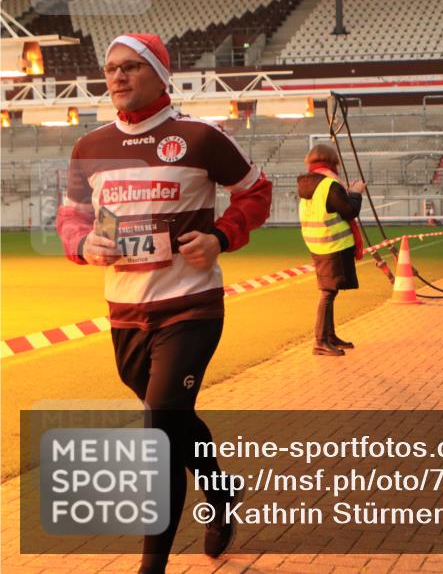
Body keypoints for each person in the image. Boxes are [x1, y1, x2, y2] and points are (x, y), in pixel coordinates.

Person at [55, 33, 272, 574]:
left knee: (159, 429)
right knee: (171, 418)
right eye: (110, 69)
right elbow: (71, 217)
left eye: (131, 67)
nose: (118, 77)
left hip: (191, 304)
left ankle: (151, 565)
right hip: (125, 310)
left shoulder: (199, 137)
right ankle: (222, 492)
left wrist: (221, 237)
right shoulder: (88, 147)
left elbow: (256, 191)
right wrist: (83, 243)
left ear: (159, 73)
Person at [297, 143, 366, 356]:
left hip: (318, 243)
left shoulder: (308, 183)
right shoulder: (329, 185)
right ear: (332, 161)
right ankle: (320, 341)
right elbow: (349, 211)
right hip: (333, 244)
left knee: (331, 291)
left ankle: (329, 335)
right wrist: (355, 193)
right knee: (328, 292)